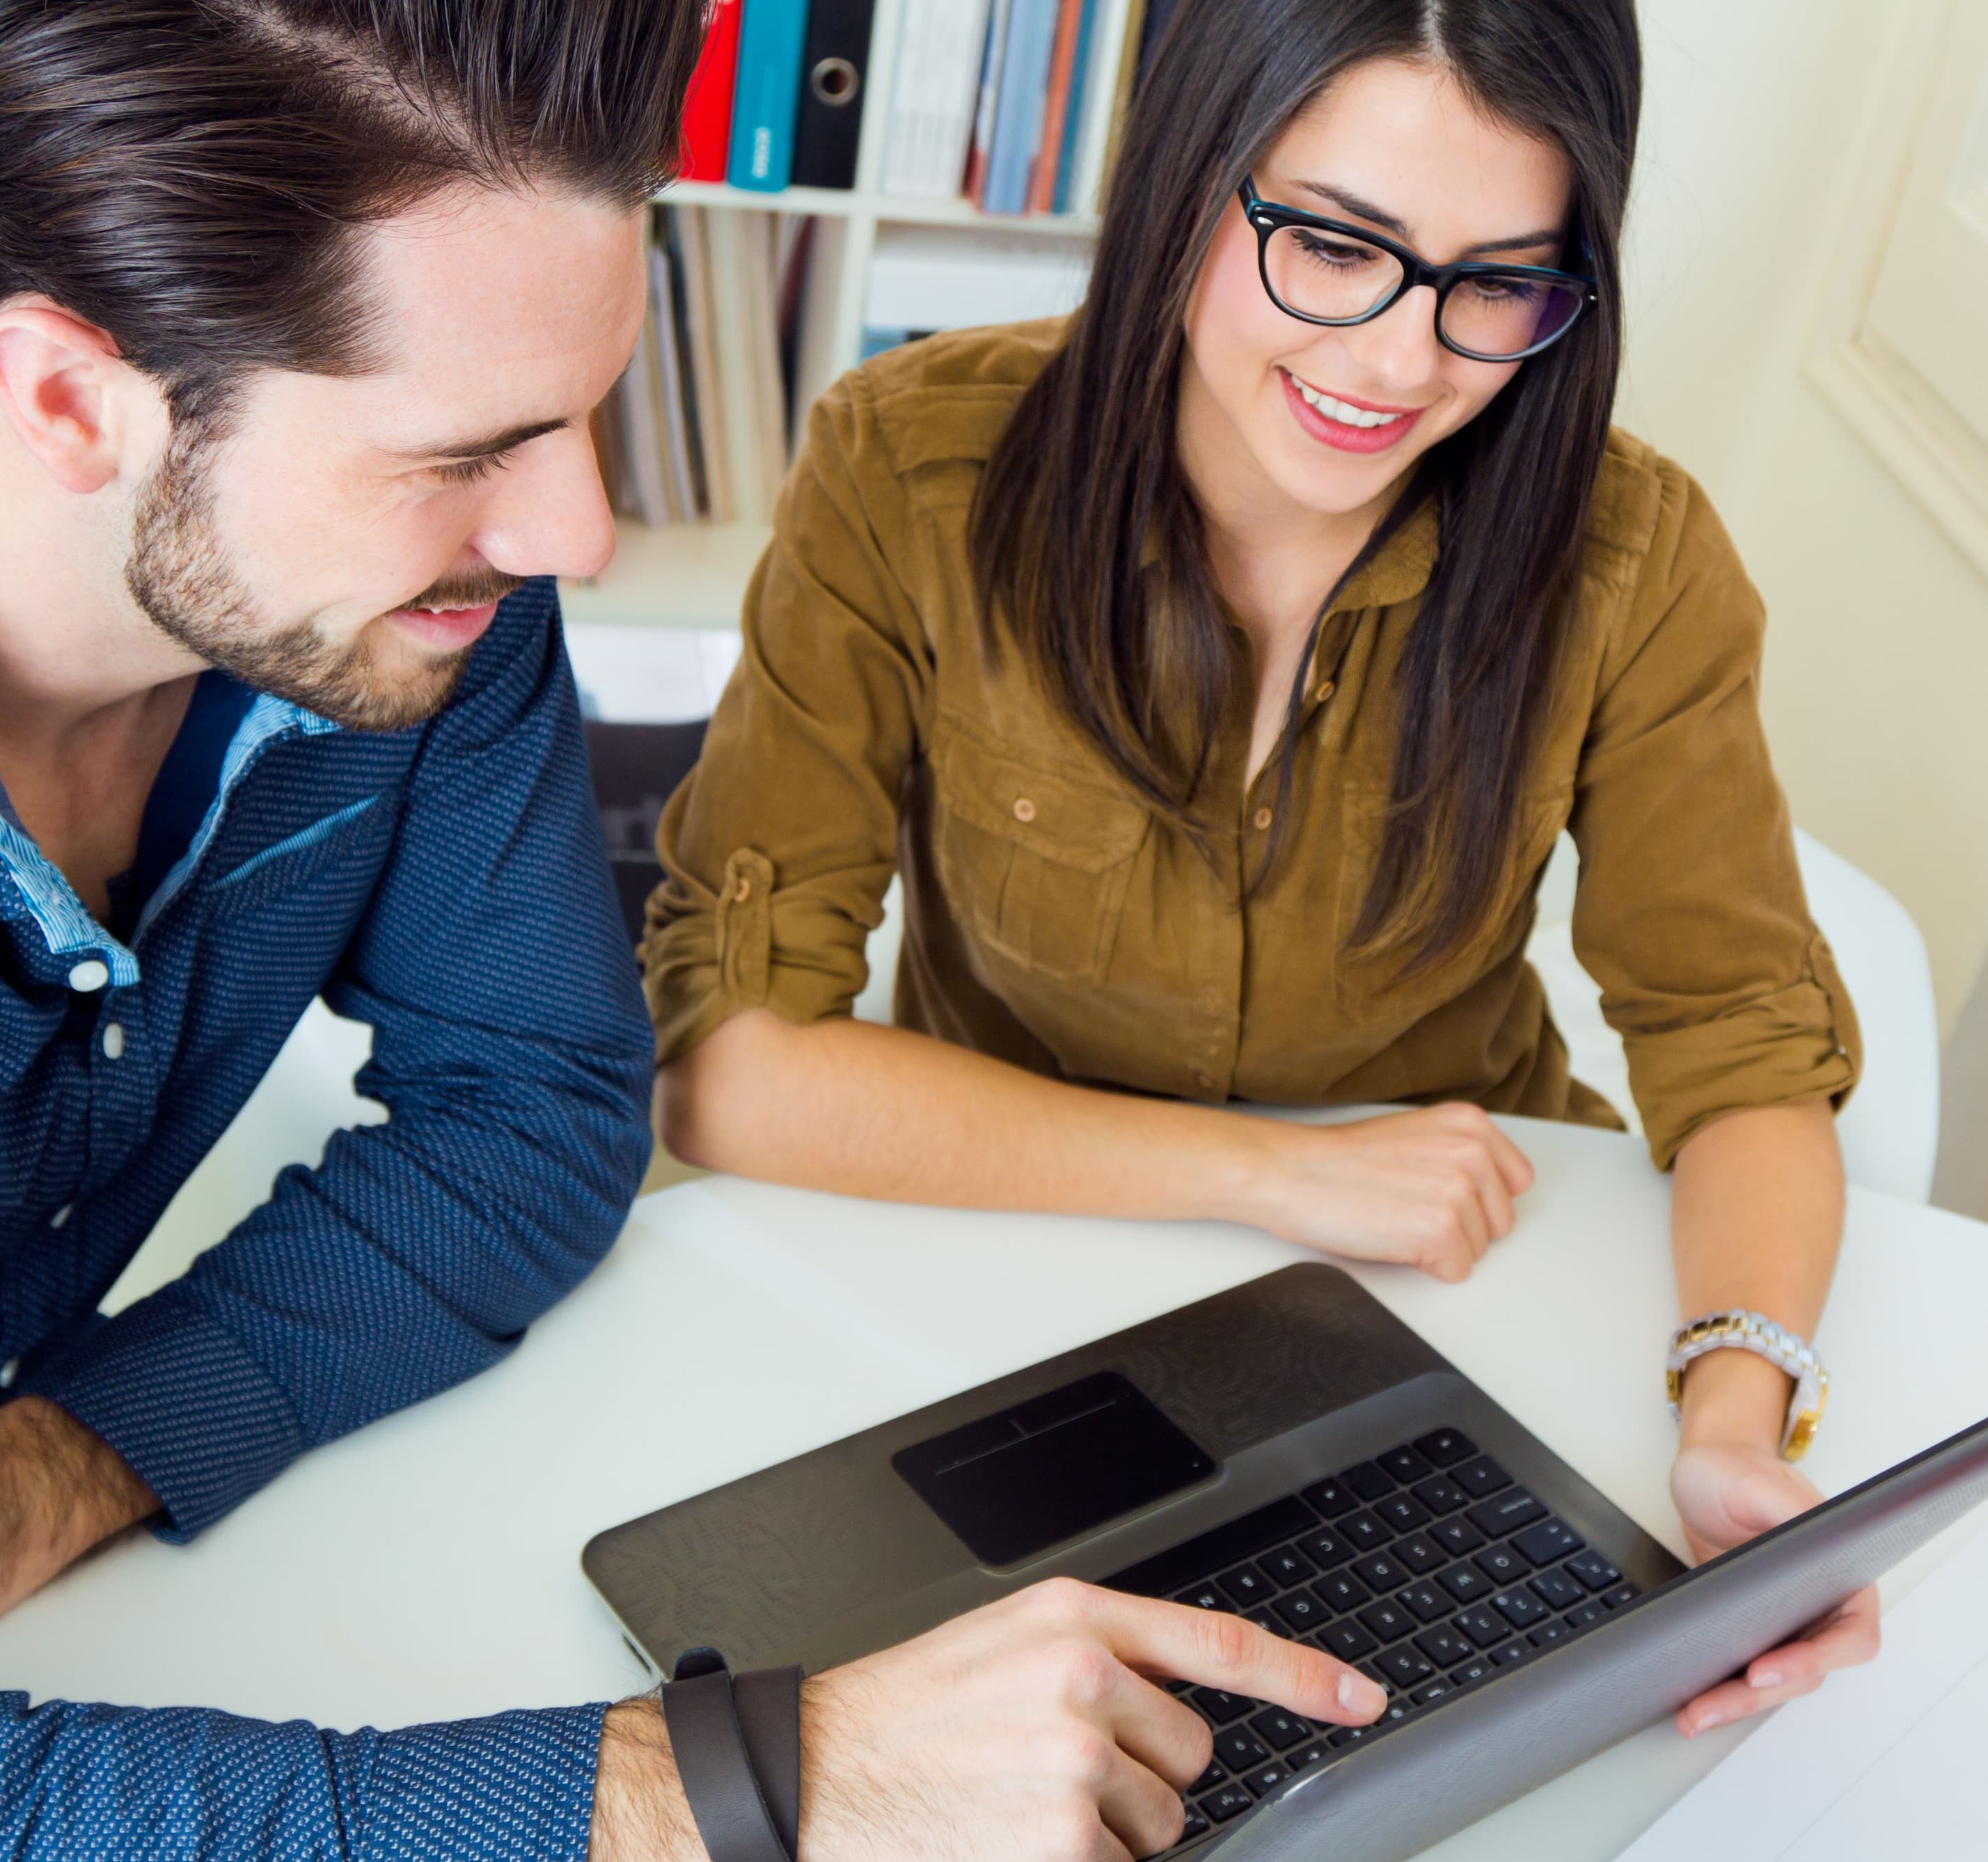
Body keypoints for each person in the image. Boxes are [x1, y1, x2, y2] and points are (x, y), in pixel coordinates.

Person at [0, 4, 1398, 1862]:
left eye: (581, 410)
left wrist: (63, 1458)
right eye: (468, 450)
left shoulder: (394, 566)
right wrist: (773, 1781)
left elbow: (539, 1106)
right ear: (73, 399)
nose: (569, 530)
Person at [647, 0, 1881, 1745]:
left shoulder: (1635, 559)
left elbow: (1740, 1048)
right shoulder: (904, 468)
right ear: (1182, 175)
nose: (1400, 361)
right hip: (1003, 1279)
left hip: (1463, 1282)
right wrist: (1281, 1177)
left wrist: (1733, 1422)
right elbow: (728, 1069)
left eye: (1497, 284)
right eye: (1334, 246)